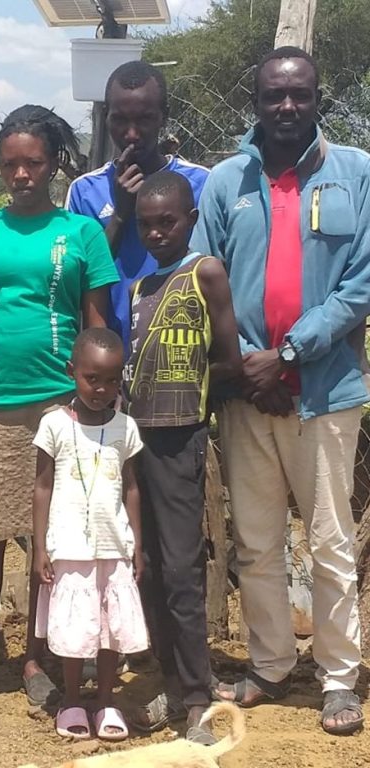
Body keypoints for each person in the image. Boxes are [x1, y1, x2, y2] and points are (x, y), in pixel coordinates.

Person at [191, 46, 370, 736]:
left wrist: (290, 353)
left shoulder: (356, 173)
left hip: (325, 390)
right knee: (257, 541)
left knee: (328, 541)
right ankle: (268, 664)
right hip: (246, 395)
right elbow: (202, 273)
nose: (287, 107)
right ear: (256, 103)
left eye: (300, 95)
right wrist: (245, 366)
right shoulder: (226, 182)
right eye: (274, 96)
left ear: (318, 98)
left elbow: (359, 286)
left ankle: (336, 678)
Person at [0, 105, 120, 703]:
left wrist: (92, 411)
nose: (21, 175)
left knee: (56, 537)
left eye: (34, 163)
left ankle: (38, 657)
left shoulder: (81, 233)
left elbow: (96, 328)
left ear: (53, 165)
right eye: (12, 164)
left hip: (58, 403)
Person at [124, 171, 241, 744]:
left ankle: (197, 697)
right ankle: (170, 679)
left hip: (180, 438)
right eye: (146, 224)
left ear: (190, 219)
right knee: (145, 566)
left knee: (180, 569)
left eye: (166, 222)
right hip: (136, 440)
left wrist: (194, 388)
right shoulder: (140, 288)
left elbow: (230, 359)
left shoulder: (205, 273)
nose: (155, 233)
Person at [33, 328, 148, 742]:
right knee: (75, 627)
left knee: (109, 627)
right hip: (69, 545)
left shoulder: (126, 428)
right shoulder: (54, 425)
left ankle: (105, 700)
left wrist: (137, 545)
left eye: (112, 380)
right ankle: (71, 699)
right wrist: (40, 546)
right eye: (91, 378)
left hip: (114, 544)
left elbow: (131, 487)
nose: (101, 388)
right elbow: (42, 486)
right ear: (72, 372)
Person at [66, 60, 208, 350]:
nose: (131, 134)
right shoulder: (85, 191)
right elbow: (77, 282)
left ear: (163, 116)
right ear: (106, 117)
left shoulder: (202, 184)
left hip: (183, 354)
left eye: (144, 119)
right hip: (109, 361)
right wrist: (120, 214)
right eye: (120, 119)